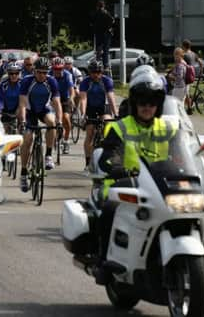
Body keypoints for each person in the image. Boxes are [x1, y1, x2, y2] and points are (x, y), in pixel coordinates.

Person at [94, 70, 177, 284]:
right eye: (142, 101)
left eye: (152, 102)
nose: (147, 106)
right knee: (109, 211)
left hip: (159, 187)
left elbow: (185, 151)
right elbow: (106, 157)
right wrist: (117, 167)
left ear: (159, 104)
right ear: (134, 103)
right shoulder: (120, 127)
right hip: (123, 186)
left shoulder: (168, 127)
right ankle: (103, 262)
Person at [17, 57, 63, 192]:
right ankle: (24, 173)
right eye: (39, 72)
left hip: (43, 109)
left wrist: (59, 121)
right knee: (27, 140)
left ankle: (48, 155)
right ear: (34, 71)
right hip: (30, 112)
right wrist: (23, 120)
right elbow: (23, 104)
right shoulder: (27, 81)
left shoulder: (52, 81)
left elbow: (57, 103)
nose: (42, 75)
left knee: (51, 122)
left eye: (45, 72)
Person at [79, 60, 117, 170]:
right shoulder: (85, 82)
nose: (96, 75)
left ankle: (106, 151)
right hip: (90, 108)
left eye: (98, 72)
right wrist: (83, 113)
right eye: (93, 72)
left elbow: (110, 97)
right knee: (89, 132)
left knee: (108, 123)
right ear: (89, 72)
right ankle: (87, 163)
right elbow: (83, 98)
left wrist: (116, 113)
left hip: (103, 107)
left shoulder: (107, 81)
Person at [50, 57, 74, 154]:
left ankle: (66, 141)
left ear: (63, 68)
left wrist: (72, 98)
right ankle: (55, 136)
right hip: (53, 99)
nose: (58, 71)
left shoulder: (68, 75)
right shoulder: (49, 75)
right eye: (55, 69)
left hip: (64, 98)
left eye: (60, 69)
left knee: (66, 119)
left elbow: (71, 89)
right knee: (53, 121)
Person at [0, 62, 23, 132]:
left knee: (22, 123)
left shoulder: (22, 84)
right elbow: (0, 99)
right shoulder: (4, 84)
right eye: (11, 73)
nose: (14, 75)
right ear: (8, 74)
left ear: (19, 74)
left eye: (16, 73)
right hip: (6, 109)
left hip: (18, 108)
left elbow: (24, 100)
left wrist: (19, 109)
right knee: (3, 130)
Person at [90, 0, 115, 72]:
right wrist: (108, 27)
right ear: (103, 6)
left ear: (97, 6)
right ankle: (106, 65)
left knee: (98, 49)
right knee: (106, 50)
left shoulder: (95, 13)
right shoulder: (106, 13)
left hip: (98, 34)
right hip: (106, 34)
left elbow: (91, 22)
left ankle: (98, 61)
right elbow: (112, 20)